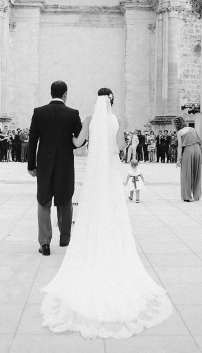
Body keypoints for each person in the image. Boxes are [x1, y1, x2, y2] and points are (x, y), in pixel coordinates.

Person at [40, 87, 172, 338]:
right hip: (110, 171)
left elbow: (76, 142)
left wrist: (67, 136)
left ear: (97, 101)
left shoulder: (90, 120)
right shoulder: (115, 120)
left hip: (94, 173)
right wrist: (123, 138)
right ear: (111, 100)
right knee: (112, 206)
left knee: (92, 204)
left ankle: (93, 237)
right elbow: (120, 146)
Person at [28, 80, 83, 256]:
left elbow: (32, 140)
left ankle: (45, 243)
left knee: (43, 200)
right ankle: (65, 238)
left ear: (51, 93)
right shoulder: (73, 113)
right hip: (65, 163)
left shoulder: (39, 112)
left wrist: (31, 165)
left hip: (44, 162)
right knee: (65, 198)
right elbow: (80, 140)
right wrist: (68, 144)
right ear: (65, 94)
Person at [175, 117, 202, 202]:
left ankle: (187, 196)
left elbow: (180, 147)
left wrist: (178, 160)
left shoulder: (179, 132)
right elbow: (201, 142)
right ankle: (197, 195)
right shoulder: (192, 129)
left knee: (186, 173)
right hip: (197, 151)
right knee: (197, 173)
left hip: (188, 151)